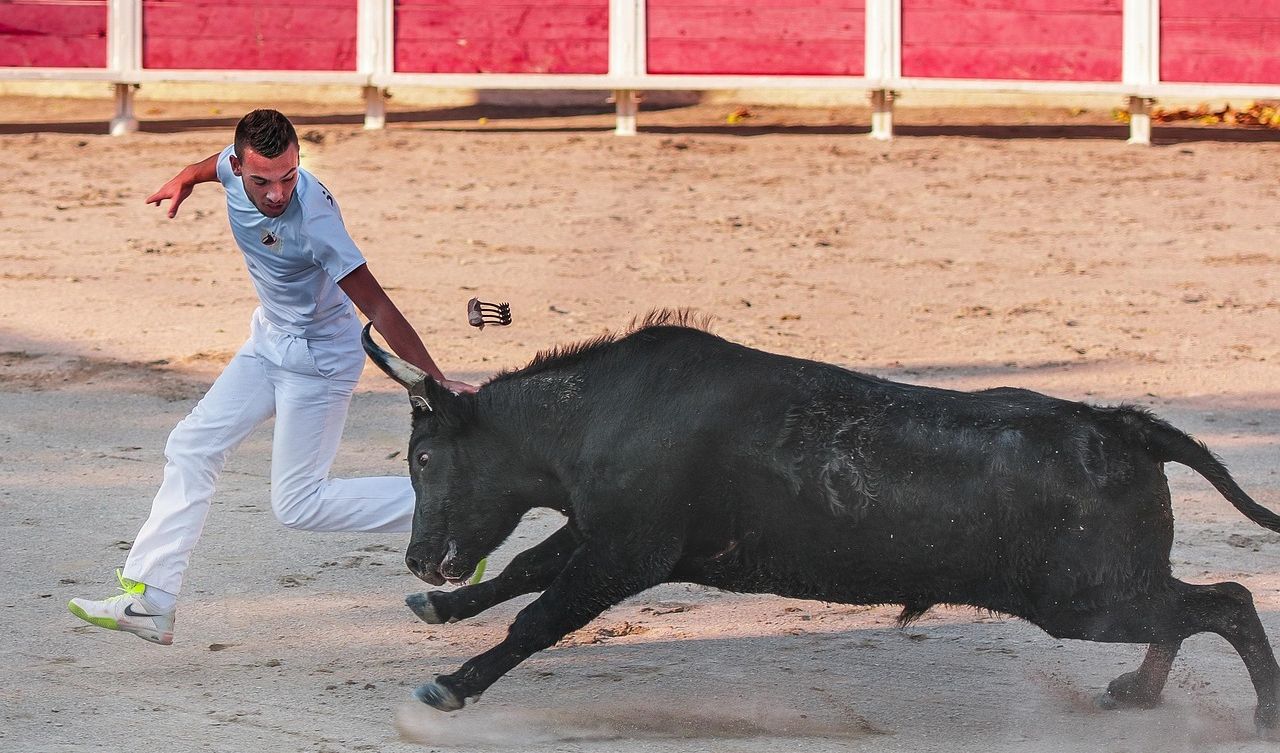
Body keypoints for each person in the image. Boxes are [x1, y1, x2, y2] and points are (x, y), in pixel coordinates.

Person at [68, 109, 473, 645]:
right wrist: (184, 180)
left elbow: (379, 308)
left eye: (288, 177)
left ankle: (458, 509)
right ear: (240, 166)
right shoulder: (233, 170)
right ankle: (151, 600)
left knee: (299, 505)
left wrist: (434, 380)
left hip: (320, 359)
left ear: (299, 163)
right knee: (191, 446)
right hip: (268, 342)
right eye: (262, 180)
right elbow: (209, 166)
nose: (278, 193)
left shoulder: (316, 221)